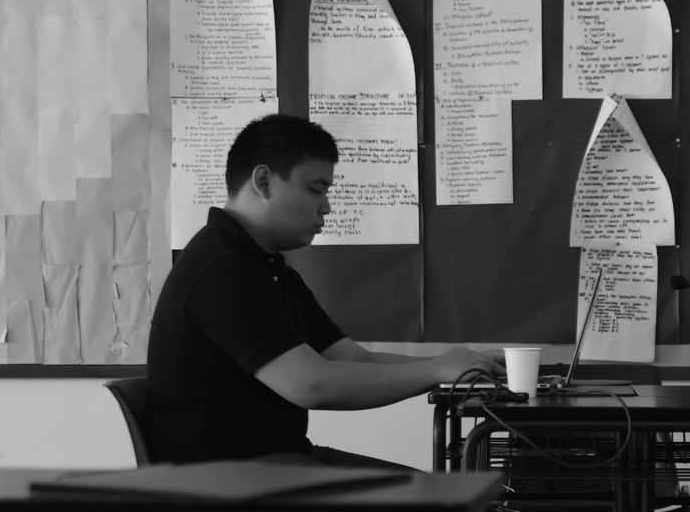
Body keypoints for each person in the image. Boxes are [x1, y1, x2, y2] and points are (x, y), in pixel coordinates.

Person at [146, 113, 502, 466]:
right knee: (448, 506)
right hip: (224, 488)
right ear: (264, 181)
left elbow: (352, 360)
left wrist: (462, 364)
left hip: (275, 466)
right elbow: (311, 384)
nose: (327, 207)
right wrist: (437, 370)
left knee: (454, 497)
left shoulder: (268, 269)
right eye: (316, 189)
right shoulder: (221, 270)